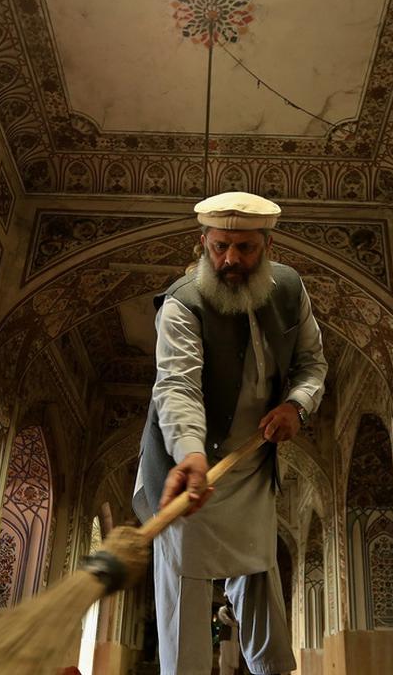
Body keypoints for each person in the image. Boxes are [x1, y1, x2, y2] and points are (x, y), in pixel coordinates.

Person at [132, 191, 327, 675]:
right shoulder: (181, 304)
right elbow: (176, 387)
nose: (230, 260)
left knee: (258, 574)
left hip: (251, 462)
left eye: (245, 248)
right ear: (203, 243)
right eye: (219, 247)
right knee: (184, 585)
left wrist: (296, 406)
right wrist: (189, 454)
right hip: (189, 468)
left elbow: (311, 364)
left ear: (267, 246)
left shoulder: (288, 289)